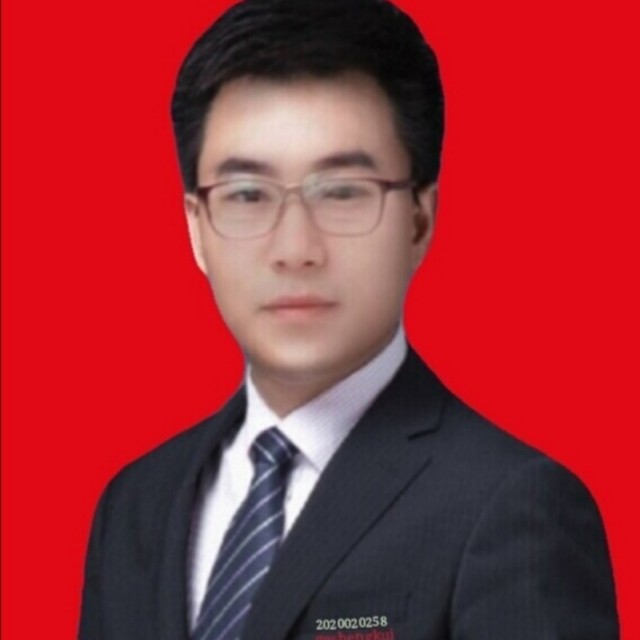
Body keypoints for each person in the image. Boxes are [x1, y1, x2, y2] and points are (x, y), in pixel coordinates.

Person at [78, 0, 619, 638]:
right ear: (196, 228)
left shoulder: (512, 508)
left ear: (419, 219)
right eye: (247, 195)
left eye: (341, 192)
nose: (295, 248)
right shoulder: (135, 505)